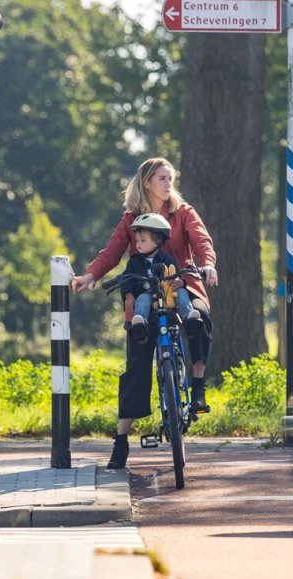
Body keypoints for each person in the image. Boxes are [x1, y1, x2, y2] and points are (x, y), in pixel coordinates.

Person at [72, 157, 219, 470]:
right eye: (162, 178)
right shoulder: (131, 219)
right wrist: (91, 275)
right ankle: (121, 440)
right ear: (147, 182)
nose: (168, 183)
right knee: (137, 364)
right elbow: (112, 251)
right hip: (143, 290)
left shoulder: (182, 212)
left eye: (170, 178)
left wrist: (207, 264)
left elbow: (201, 240)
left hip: (181, 284)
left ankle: (198, 387)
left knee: (200, 317)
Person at [121, 213, 202, 345]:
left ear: (156, 242)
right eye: (137, 241)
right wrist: (128, 295)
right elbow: (127, 280)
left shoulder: (168, 259)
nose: (138, 244)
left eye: (143, 240)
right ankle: (140, 324)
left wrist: (180, 282)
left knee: (182, 292)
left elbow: (178, 274)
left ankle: (189, 317)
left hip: (169, 292)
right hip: (149, 294)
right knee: (141, 299)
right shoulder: (134, 262)